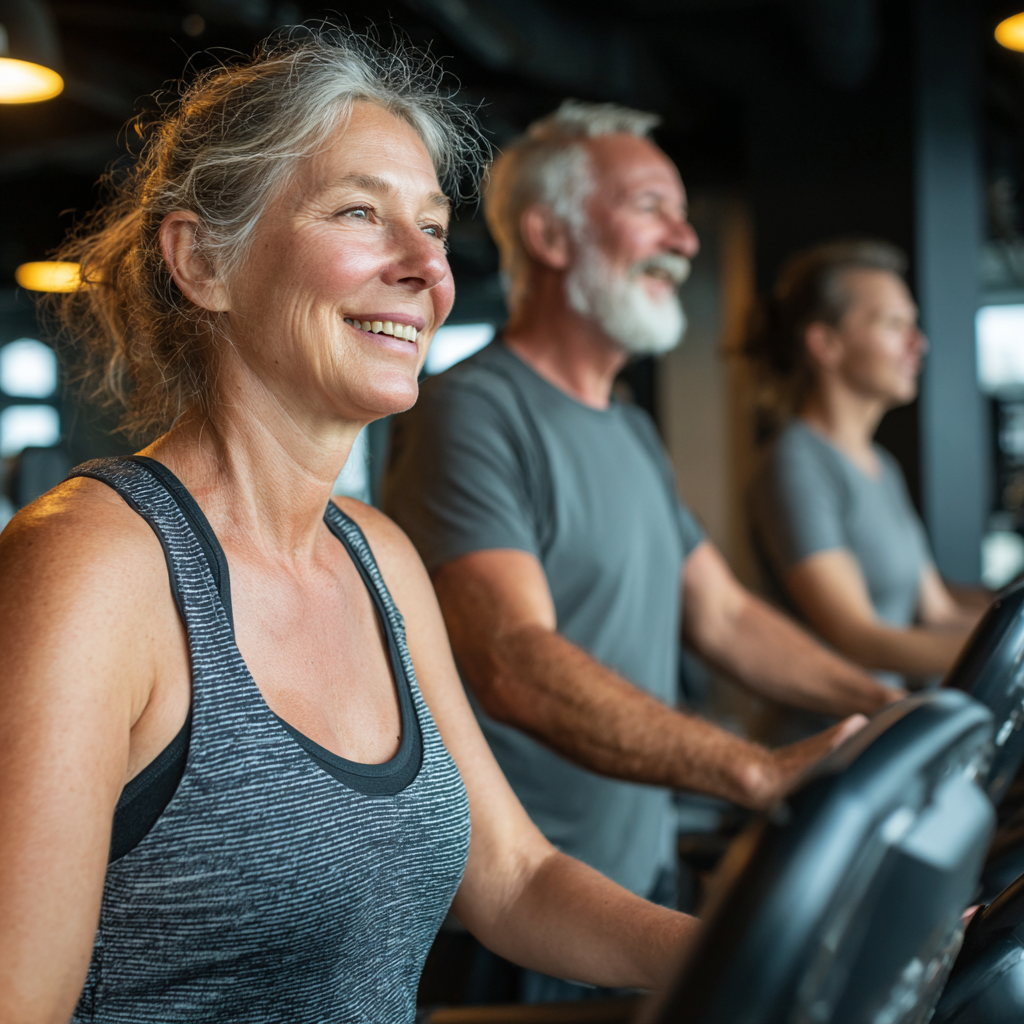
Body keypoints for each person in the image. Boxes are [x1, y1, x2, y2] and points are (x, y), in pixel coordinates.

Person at [0, 34, 702, 1023]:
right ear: (204, 261)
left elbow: (511, 878)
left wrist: (759, 952)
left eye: (432, 227)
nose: (428, 268)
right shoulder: (93, 567)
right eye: (362, 213)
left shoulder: (380, 559)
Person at [383, 100, 885, 998]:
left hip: (635, 887)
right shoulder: (473, 412)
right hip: (520, 920)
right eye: (653, 206)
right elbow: (513, 661)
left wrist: (886, 705)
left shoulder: (630, 430)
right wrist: (754, 769)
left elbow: (725, 617)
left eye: (683, 214)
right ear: (550, 234)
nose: (685, 241)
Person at [745, 240, 983, 689]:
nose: (919, 343)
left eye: (913, 325)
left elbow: (937, 613)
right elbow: (857, 638)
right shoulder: (796, 464)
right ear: (826, 344)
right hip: (835, 741)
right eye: (894, 325)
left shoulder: (881, 465)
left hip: (892, 725)